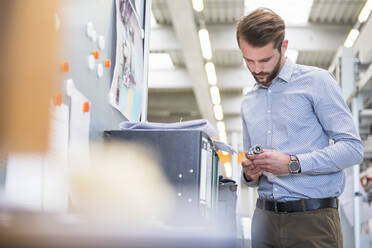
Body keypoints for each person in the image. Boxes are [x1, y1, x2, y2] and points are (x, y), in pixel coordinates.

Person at [237, 8, 363, 248]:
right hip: (263, 220)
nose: (257, 69)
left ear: (283, 47)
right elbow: (250, 167)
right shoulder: (248, 101)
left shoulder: (317, 82)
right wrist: (249, 174)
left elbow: (352, 149)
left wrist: (292, 164)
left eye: (264, 60)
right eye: (248, 61)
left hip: (313, 221)